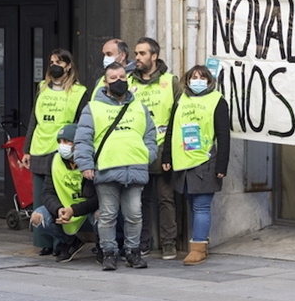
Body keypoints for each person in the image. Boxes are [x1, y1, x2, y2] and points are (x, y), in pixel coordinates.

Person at [74, 62, 157, 271]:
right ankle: (109, 253)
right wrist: (86, 164)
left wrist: (148, 155)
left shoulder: (139, 107)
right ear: (105, 81)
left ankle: (132, 252)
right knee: (108, 215)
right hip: (107, 169)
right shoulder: (93, 107)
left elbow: (150, 136)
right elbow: (83, 139)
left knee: (134, 214)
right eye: (113, 78)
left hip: (135, 167)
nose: (119, 81)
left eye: (122, 77)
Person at [22, 49, 89, 256]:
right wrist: (27, 150)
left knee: (60, 195)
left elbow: (81, 122)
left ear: (68, 65)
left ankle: (62, 240)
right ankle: (44, 242)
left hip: (61, 149)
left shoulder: (79, 91)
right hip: (40, 147)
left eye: (59, 61)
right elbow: (34, 118)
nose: (54, 65)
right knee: (42, 197)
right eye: (51, 62)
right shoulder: (42, 87)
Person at [162, 65, 230, 266]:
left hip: (205, 160)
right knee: (192, 205)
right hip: (183, 161)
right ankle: (202, 243)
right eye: (193, 77)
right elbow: (171, 129)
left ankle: (198, 247)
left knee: (201, 206)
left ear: (209, 81)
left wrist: (221, 166)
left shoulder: (217, 101)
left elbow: (223, 135)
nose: (197, 80)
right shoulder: (181, 100)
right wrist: (166, 156)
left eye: (201, 77)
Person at [131, 37, 179, 259]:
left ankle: (169, 243)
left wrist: (171, 150)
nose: (137, 58)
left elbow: (178, 116)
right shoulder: (129, 82)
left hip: (162, 150)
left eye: (142, 53)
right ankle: (143, 241)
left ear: (154, 56)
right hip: (137, 151)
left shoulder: (170, 81)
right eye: (136, 54)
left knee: (165, 198)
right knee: (141, 200)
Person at [30, 124, 98, 263]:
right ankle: (71, 242)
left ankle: (103, 246)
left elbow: (99, 198)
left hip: (87, 210)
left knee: (102, 215)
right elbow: (47, 192)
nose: (63, 146)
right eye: (60, 142)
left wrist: (73, 210)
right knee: (37, 217)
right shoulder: (53, 160)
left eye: (67, 141)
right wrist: (58, 209)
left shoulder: (93, 160)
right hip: (64, 209)